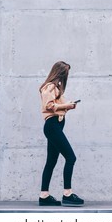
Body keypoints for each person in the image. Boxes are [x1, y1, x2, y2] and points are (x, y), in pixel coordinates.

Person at [38, 61, 84, 207]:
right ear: (60, 72)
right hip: (52, 126)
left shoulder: (55, 88)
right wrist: (66, 105)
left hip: (55, 126)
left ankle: (44, 195)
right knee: (71, 157)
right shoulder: (50, 86)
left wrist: (68, 107)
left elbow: (56, 107)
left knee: (51, 162)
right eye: (66, 72)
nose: (67, 75)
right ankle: (68, 194)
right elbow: (49, 106)